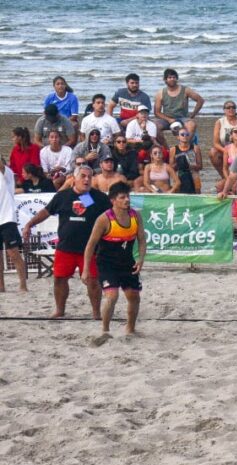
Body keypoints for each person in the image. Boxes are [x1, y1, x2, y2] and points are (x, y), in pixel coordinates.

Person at [22, 166, 108, 318]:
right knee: (59, 279)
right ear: (73, 178)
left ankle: (96, 313)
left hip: (90, 249)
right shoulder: (63, 196)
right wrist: (29, 224)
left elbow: (111, 216)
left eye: (89, 176)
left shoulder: (99, 198)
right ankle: (60, 310)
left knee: (93, 281)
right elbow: (46, 212)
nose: (87, 179)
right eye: (83, 176)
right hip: (65, 247)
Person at [81, 182, 145, 342]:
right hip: (106, 263)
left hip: (127, 262)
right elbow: (90, 245)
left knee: (134, 296)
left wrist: (141, 259)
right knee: (112, 296)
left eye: (128, 197)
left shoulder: (135, 216)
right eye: (122, 197)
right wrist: (86, 269)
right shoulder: (104, 219)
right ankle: (105, 330)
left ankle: (130, 328)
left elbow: (142, 240)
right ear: (113, 200)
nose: (127, 200)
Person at [152, 68, 203, 143]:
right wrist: (169, 119)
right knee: (154, 127)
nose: (172, 79)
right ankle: (165, 148)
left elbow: (200, 100)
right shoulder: (161, 93)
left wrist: (192, 115)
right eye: (169, 77)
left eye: (174, 77)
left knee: (192, 125)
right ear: (165, 79)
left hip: (183, 118)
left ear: (177, 79)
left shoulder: (185, 90)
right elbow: (157, 112)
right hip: (167, 119)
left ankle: (185, 145)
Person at [0, 158, 27, 292]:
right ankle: (1, 286)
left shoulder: (7, 173)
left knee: (13, 253)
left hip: (7, 218)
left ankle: (23, 285)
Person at [210, 101, 237, 178]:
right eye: (228, 107)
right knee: (213, 152)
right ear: (224, 110)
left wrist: (236, 150)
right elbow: (216, 143)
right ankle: (224, 177)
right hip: (225, 149)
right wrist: (226, 151)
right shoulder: (219, 122)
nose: (231, 109)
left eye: (233, 107)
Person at [171, 123, 202, 194]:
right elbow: (171, 168)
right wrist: (179, 163)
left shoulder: (195, 148)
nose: (185, 136)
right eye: (182, 134)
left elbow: (200, 166)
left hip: (193, 172)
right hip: (180, 173)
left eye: (187, 134)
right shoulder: (173, 149)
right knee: (177, 188)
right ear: (178, 137)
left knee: (197, 189)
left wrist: (190, 165)